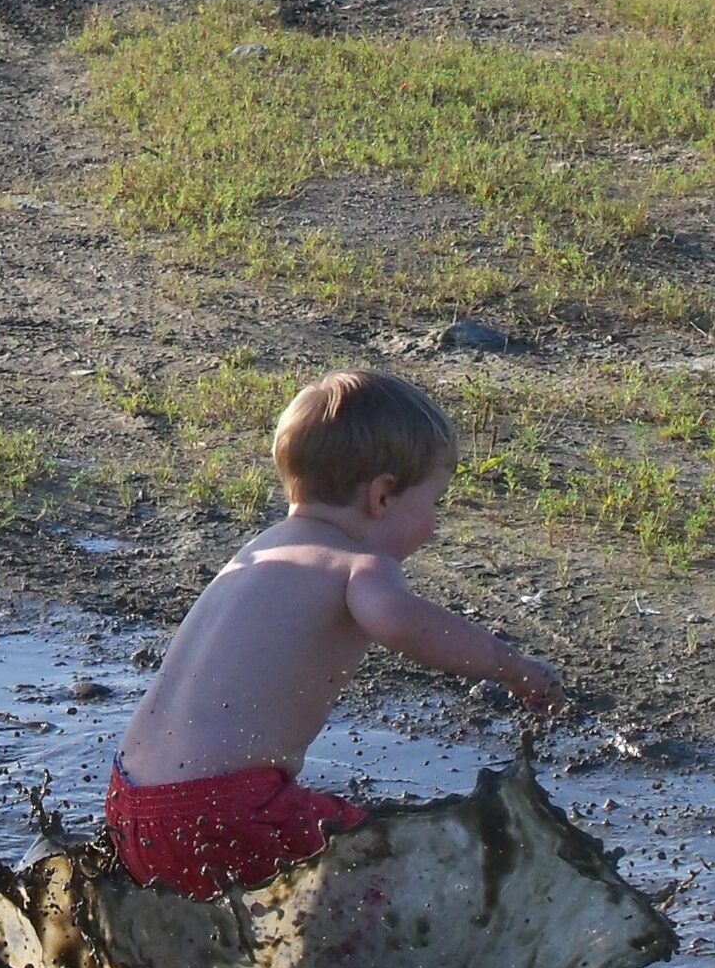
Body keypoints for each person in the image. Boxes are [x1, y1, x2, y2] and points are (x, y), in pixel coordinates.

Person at [107, 369, 565, 900]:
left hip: (131, 804)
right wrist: (511, 666)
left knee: (217, 927)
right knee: (378, 869)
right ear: (384, 497)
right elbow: (401, 623)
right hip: (222, 812)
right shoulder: (356, 564)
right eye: (435, 503)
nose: (436, 524)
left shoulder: (264, 549)